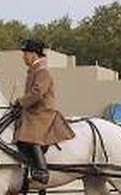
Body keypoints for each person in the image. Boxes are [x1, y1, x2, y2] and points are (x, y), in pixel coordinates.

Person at [12, 40, 75, 184]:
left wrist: (20, 102)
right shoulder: (34, 70)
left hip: (42, 112)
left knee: (30, 135)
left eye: (25, 54)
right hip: (32, 110)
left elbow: (37, 93)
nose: (24, 57)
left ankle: (42, 171)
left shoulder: (42, 71)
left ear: (34, 54)